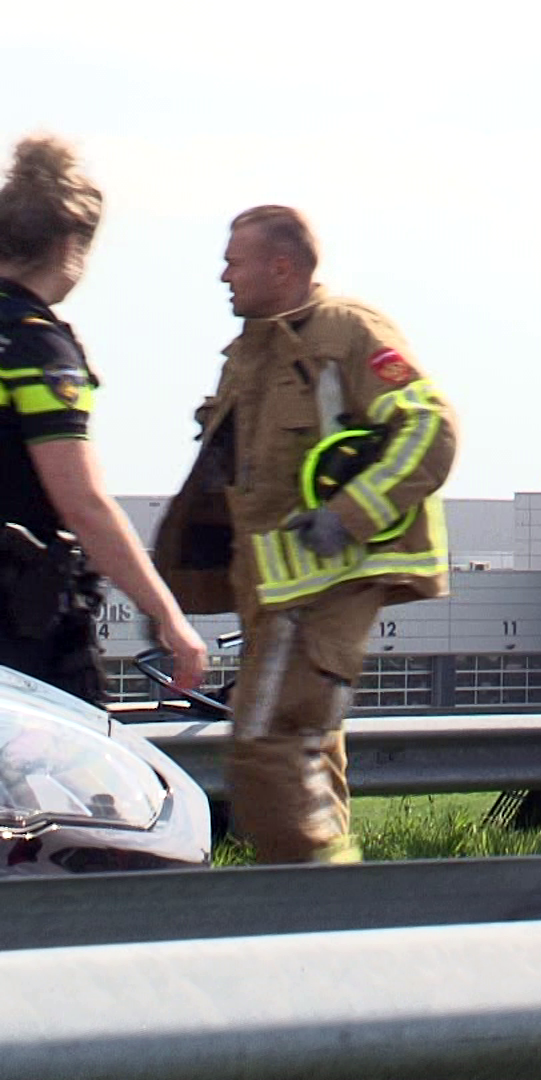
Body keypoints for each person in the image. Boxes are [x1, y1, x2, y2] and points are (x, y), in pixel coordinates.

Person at [154, 206, 456, 863]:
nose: (222, 275)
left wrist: (348, 516)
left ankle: (314, 906)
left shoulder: (347, 332)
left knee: (263, 745)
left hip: (322, 591)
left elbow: (430, 427)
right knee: (308, 750)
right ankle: (334, 926)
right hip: (273, 596)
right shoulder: (253, 353)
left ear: (281, 267)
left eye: (235, 261)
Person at [0, 134, 207, 703]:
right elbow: (83, 503)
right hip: (23, 635)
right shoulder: (34, 347)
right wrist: (169, 617)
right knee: (91, 788)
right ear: (71, 243)